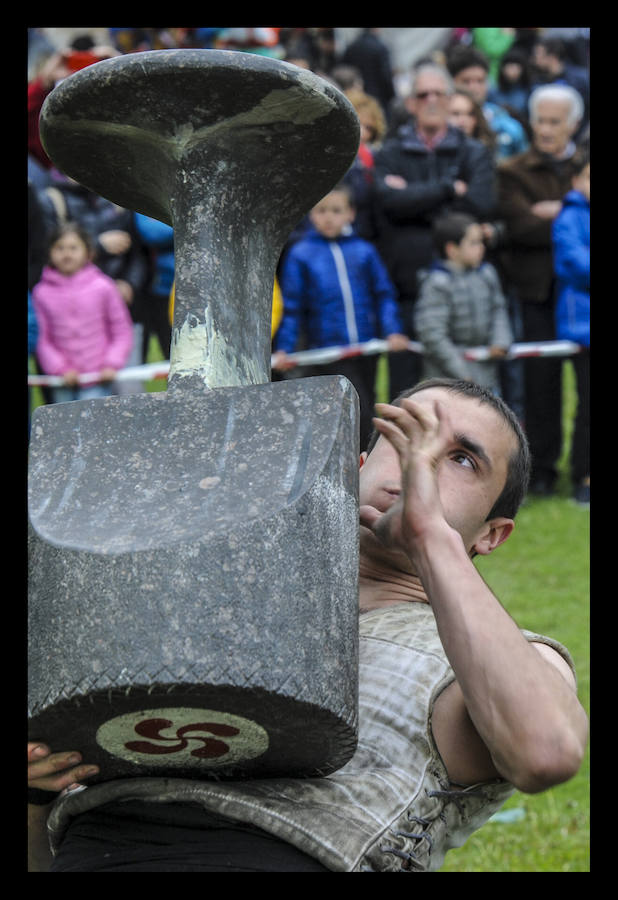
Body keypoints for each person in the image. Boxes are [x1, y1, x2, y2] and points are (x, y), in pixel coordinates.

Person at [28, 378, 588, 872]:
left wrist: (430, 538)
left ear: (492, 535)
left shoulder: (505, 662)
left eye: (461, 458)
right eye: (405, 435)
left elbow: (545, 752)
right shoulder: (208, 612)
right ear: (358, 465)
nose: (421, 461)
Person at [372, 62, 497, 399]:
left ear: (450, 98)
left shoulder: (473, 152)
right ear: (410, 103)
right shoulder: (391, 153)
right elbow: (387, 203)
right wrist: (447, 189)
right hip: (407, 290)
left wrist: (411, 196)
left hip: (463, 296)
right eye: (421, 94)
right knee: (407, 398)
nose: (430, 100)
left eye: (438, 94)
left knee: (464, 397)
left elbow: (480, 205)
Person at [272, 183, 408, 449]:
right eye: (321, 210)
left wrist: (392, 330)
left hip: (366, 351)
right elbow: (293, 307)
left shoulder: (364, 251)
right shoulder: (301, 254)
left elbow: (383, 294)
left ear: (350, 214)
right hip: (327, 352)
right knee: (341, 411)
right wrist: (285, 349)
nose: (329, 217)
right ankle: (344, 460)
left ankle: (366, 462)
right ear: (311, 214)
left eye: (336, 210)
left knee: (366, 407)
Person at [497, 83, 584, 495]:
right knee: (540, 387)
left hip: (582, 296)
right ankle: (543, 471)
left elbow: (538, 223)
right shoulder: (512, 170)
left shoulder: (584, 165)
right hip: (536, 291)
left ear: (574, 124)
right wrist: (573, 213)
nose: (546, 130)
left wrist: (553, 212)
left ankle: (583, 471)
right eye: (540, 121)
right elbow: (519, 227)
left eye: (555, 122)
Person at [31, 222, 134, 404]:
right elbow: (42, 338)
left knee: (94, 426)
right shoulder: (41, 293)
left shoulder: (103, 286)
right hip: (62, 381)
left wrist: (111, 363)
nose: (67, 254)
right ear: (50, 253)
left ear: (88, 252)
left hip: (98, 377)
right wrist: (60, 368)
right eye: (60, 248)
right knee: (65, 427)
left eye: (73, 248)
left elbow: (121, 330)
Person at [414, 213, 512, 391]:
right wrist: (462, 373)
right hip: (446, 383)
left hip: (487, 378)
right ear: (452, 249)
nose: (481, 248)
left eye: (481, 242)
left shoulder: (487, 274)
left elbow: (499, 309)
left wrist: (500, 341)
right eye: (473, 243)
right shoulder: (437, 283)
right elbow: (432, 335)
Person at [552, 150, 590, 506]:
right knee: (588, 404)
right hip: (584, 327)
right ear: (577, 180)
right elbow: (575, 264)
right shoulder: (570, 217)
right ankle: (584, 476)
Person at [447, 46, 529, 160]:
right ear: (452, 82)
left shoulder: (506, 125)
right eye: (466, 81)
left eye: (480, 81)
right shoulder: (442, 124)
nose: (474, 88)